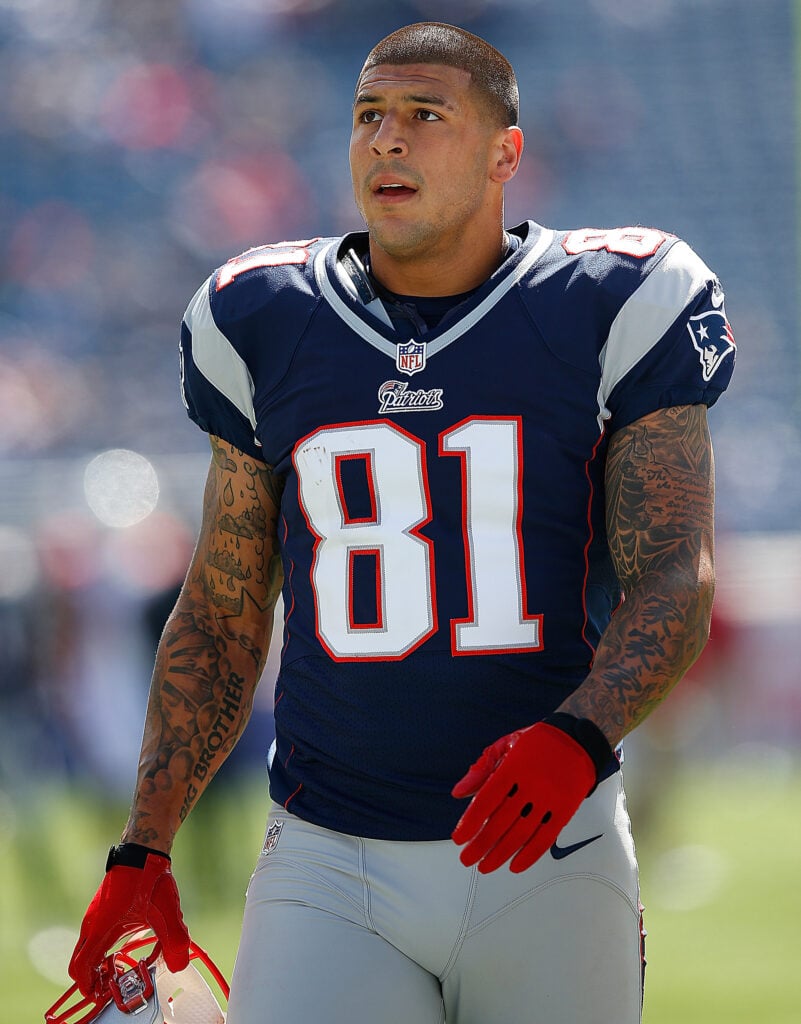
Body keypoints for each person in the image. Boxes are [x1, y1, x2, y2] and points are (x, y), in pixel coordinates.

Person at [66, 21, 735, 1024]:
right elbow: (224, 607)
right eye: (368, 115)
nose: (387, 139)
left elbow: (674, 573)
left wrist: (577, 734)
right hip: (330, 852)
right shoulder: (262, 315)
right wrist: (144, 843)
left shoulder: (617, 297)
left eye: (425, 114)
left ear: (506, 151)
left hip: (549, 844)